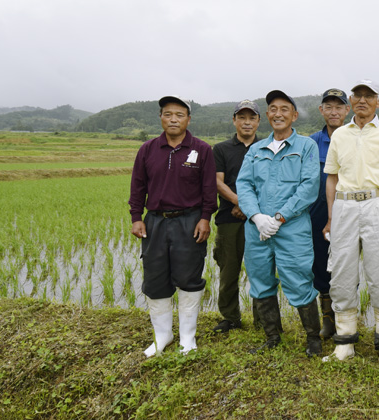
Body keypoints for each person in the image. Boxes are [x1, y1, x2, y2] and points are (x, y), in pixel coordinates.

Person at [322, 79, 379, 363]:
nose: (362, 100)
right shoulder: (340, 135)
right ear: (351, 100)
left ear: (378, 101)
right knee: (342, 269)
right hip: (345, 205)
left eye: (368, 96)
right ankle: (345, 342)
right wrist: (332, 217)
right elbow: (332, 177)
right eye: (357, 95)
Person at [129, 95, 217, 357]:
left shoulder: (202, 149)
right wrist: (136, 217)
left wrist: (205, 218)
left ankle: (187, 337)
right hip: (155, 221)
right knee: (155, 278)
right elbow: (138, 186)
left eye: (179, 114)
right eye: (168, 114)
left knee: (189, 277)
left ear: (188, 119)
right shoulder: (148, 149)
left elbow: (209, 189)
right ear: (160, 118)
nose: (174, 119)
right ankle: (162, 335)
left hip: (189, 221)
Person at [236, 90, 322, 356]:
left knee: (298, 279)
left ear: (294, 115)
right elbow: (244, 184)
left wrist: (279, 217)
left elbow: (308, 188)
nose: (278, 113)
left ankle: (313, 338)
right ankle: (272, 335)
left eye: (285, 109)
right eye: (273, 109)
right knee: (260, 280)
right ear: (268, 115)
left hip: (292, 228)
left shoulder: (306, 147)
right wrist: (256, 216)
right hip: (257, 230)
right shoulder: (255, 150)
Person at [211, 100, 261, 333]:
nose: (247, 122)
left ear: (258, 121)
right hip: (229, 217)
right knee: (228, 270)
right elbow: (217, 181)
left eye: (251, 118)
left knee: (261, 270)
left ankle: (263, 319)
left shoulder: (268, 146)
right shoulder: (221, 149)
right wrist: (239, 201)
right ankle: (230, 318)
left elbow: (271, 182)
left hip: (260, 220)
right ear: (234, 120)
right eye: (242, 117)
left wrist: (250, 207)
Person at [308, 88, 350, 340]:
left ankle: (347, 318)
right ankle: (328, 320)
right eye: (329, 107)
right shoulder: (311, 142)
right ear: (321, 110)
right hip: (317, 213)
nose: (334, 111)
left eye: (339, 107)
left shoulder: (356, 138)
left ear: (347, 110)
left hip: (348, 212)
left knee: (347, 266)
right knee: (321, 267)